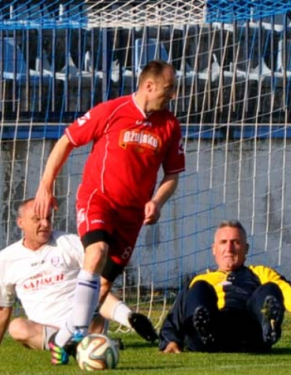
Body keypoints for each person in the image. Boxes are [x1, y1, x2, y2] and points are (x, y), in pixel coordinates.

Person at [33, 60, 185, 364]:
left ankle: (61, 342)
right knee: (96, 251)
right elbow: (67, 141)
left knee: (103, 286)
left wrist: (157, 200)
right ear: (149, 85)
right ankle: (78, 328)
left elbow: (172, 175)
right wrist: (45, 186)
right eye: (168, 90)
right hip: (97, 199)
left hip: (131, 217)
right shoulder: (111, 110)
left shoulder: (170, 125)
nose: (173, 96)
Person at [0, 198, 158, 353]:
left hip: (87, 323)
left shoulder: (68, 242)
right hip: (47, 330)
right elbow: (2, 305)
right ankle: (74, 345)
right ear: (20, 223)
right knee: (17, 327)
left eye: (48, 218)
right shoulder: (7, 257)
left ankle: (87, 339)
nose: (45, 224)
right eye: (37, 219)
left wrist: (129, 318)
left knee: (93, 290)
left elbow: (99, 286)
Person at [159, 220, 291, 354]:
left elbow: (286, 289)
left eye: (235, 242)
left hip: (248, 332)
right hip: (213, 330)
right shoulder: (200, 279)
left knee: (270, 289)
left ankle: (267, 327)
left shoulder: (260, 272)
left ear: (246, 248)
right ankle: (204, 330)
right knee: (199, 289)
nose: (229, 248)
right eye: (223, 242)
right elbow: (175, 314)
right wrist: (171, 341)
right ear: (214, 249)